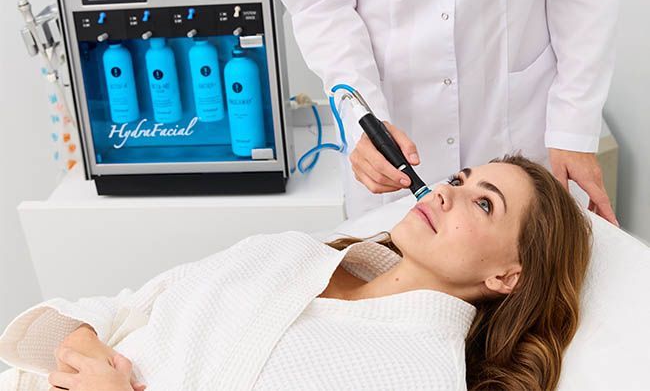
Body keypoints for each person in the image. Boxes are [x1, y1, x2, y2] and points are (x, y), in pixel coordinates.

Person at [0, 154, 591, 391]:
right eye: (458, 179)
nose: (443, 193)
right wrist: (82, 342)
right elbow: (127, 304)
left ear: (508, 277)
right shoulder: (291, 251)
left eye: (483, 204)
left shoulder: (419, 376)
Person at [273, 0, 622, 225]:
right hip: (392, 122)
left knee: (528, 269)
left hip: (520, 123)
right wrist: (361, 119)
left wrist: (573, 127)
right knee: (392, 266)